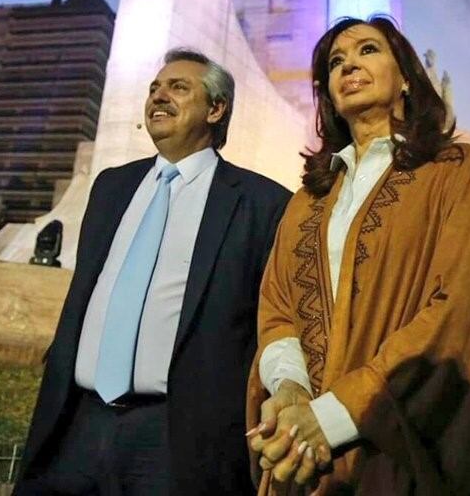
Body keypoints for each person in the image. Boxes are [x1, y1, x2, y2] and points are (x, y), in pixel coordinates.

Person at [247, 17, 470, 495]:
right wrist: (291, 393)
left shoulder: (456, 172)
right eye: (335, 62)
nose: (349, 64)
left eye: (368, 50)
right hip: (303, 457)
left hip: (407, 452)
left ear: (405, 80)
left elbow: (464, 306)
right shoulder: (307, 199)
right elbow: (278, 311)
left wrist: (335, 416)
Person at [16, 48, 291, 495]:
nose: (159, 96)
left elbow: (270, 320)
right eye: (154, 88)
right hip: (77, 425)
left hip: (174, 437)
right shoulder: (111, 187)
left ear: (216, 109)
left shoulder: (262, 204)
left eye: (179, 87)